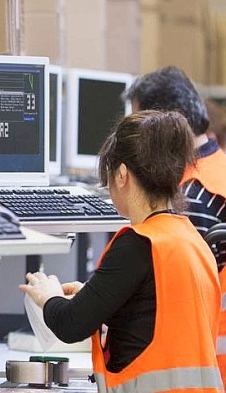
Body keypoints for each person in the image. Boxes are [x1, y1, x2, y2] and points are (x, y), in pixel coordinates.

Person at [20, 110, 222, 393]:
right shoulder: (193, 241)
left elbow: (70, 325)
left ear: (122, 175)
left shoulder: (139, 244)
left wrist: (48, 296)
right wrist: (98, 298)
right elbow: (162, 320)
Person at [125, 66, 226, 384]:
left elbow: (162, 295)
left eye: (140, 127)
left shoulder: (191, 199)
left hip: (204, 369)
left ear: (165, 125)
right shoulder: (216, 171)